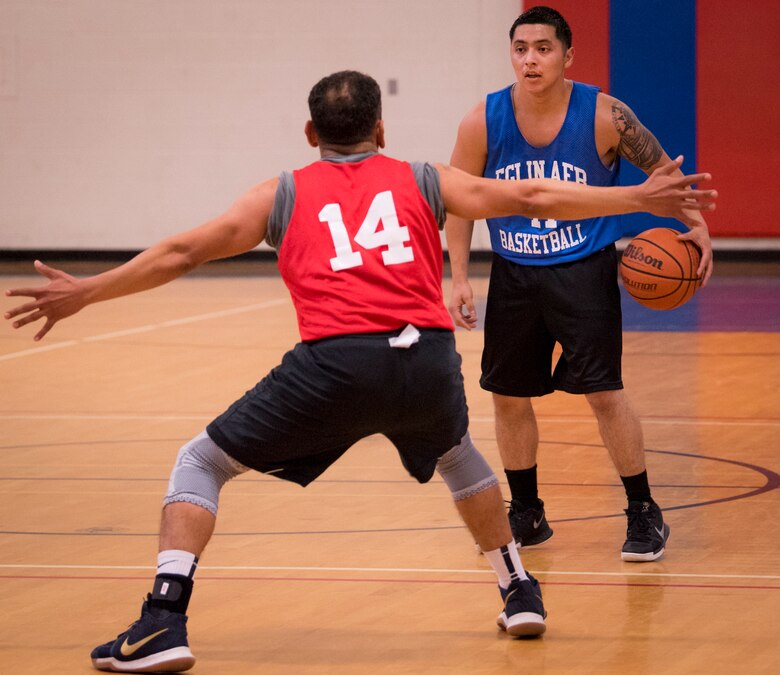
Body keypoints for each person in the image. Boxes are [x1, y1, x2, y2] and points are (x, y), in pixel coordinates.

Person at [4, 70, 715, 673]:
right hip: (428, 363)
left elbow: (181, 251)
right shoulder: (421, 177)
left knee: (201, 463)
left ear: (311, 135)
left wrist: (87, 291)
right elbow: (529, 197)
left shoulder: (280, 192)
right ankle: (518, 588)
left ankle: (163, 615)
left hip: (335, 365)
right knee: (457, 455)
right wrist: (636, 199)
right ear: (382, 127)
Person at [445, 6, 714, 563]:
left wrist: (699, 228)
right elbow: (459, 201)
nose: (530, 59)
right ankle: (527, 512)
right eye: (521, 48)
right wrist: (458, 276)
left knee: (604, 394)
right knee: (509, 396)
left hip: (584, 271)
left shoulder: (605, 116)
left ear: (569, 55)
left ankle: (643, 511)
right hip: (514, 273)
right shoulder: (483, 119)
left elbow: (665, 174)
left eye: (543, 48)